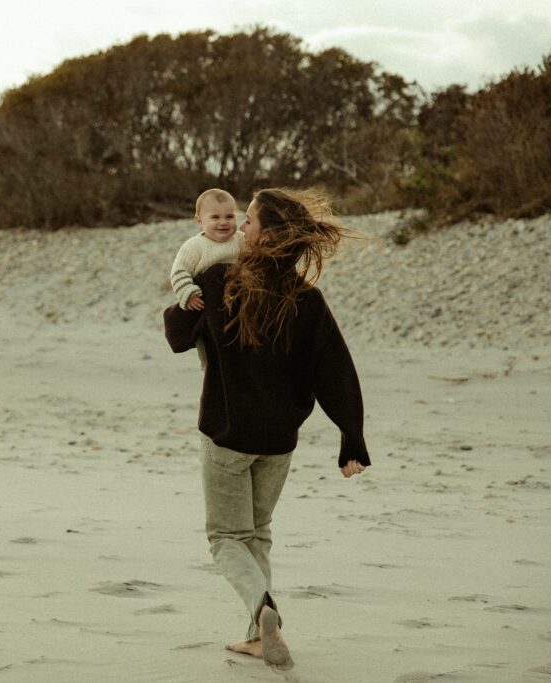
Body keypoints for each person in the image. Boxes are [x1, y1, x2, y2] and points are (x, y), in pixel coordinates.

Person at [163, 187, 371, 672]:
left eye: (249, 221)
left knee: (226, 537)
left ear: (268, 235)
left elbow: (176, 335)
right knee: (257, 533)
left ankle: (262, 608)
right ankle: (260, 635)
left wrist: (187, 299)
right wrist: (351, 438)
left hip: (227, 434)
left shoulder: (219, 281)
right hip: (278, 442)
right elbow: (335, 371)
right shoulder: (307, 299)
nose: (239, 227)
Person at [170, 188, 245, 368]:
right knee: (208, 343)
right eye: (215, 217)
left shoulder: (241, 239)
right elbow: (179, 271)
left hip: (237, 302)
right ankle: (209, 366)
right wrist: (188, 293)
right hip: (207, 306)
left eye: (229, 216)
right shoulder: (195, 246)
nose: (223, 222)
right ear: (199, 220)